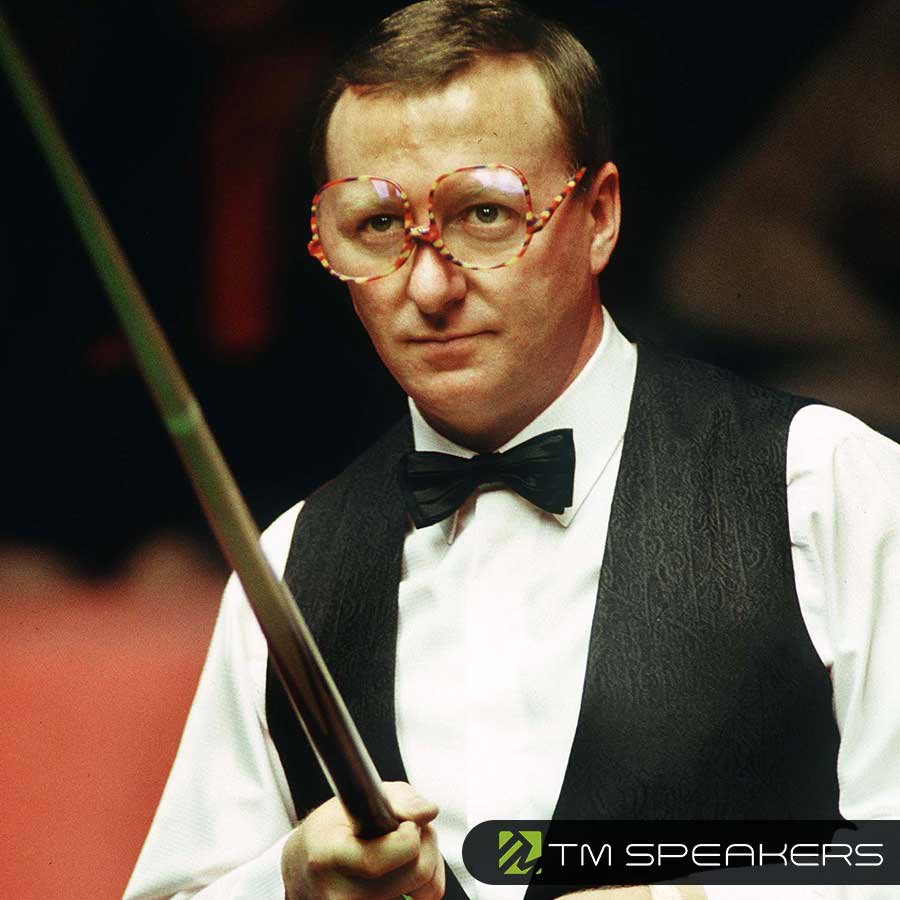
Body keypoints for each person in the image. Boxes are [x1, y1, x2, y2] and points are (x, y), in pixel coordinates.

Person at [124, 2, 900, 899]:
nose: (427, 286)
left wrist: (689, 892)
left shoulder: (820, 484)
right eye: (377, 227)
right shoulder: (292, 565)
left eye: (484, 214)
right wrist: (289, 880)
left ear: (599, 216)